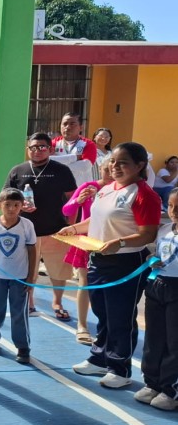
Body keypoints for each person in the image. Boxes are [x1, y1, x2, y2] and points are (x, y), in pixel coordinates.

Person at [63, 142, 160, 389]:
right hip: (99, 259)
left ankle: (120, 367)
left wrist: (119, 243)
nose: (115, 167)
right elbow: (95, 220)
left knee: (121, 317)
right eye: (113, 162)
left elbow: (147, 234)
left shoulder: (144, 194)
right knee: (102, 313)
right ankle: (100, 357)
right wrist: (74, 228)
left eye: (123, 162)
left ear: (139, 166)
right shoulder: (106, 190)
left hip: (126, 263)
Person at [6, 132, 77, 320]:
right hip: (26, 231)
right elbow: (6, 197)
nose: (37, 151)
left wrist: (71, 226)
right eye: (33, 147)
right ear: (28, 149)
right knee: (27, 270)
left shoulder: (62, 170)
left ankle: (58, 302)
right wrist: (20, 207)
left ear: (50, 149)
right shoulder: (17, 170)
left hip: (56, 230)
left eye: (42, 147)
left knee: (59, 270)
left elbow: (72, 200)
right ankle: (29, 302)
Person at [0, 188, 36, 364]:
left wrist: (30, 277)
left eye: (16, 205)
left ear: (22, 206)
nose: (11, 208)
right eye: (7, 205)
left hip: (19, 276)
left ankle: (22, 346)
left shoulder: (27, 225)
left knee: (19, 312)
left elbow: (32, 250)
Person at [61, 158, 113, 345]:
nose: (109, 173)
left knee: (107, 285)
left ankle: (105, 326)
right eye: (106, 169)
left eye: (112, 169)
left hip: (109, 240)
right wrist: (79, 200)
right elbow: (67, 210)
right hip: (87, 240)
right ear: (99, 169)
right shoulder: (88, 186)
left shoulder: (119, 190)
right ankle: (82, 325)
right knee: (84, 281)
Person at [135, 187, 178, 410]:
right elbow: (157, 254)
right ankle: (152, 382)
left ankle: (171, 389)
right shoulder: (164, 230)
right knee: (154, 337)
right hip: (158, 285)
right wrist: (153, 259)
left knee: (174, 341)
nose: (174, 212)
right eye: (171, 206)